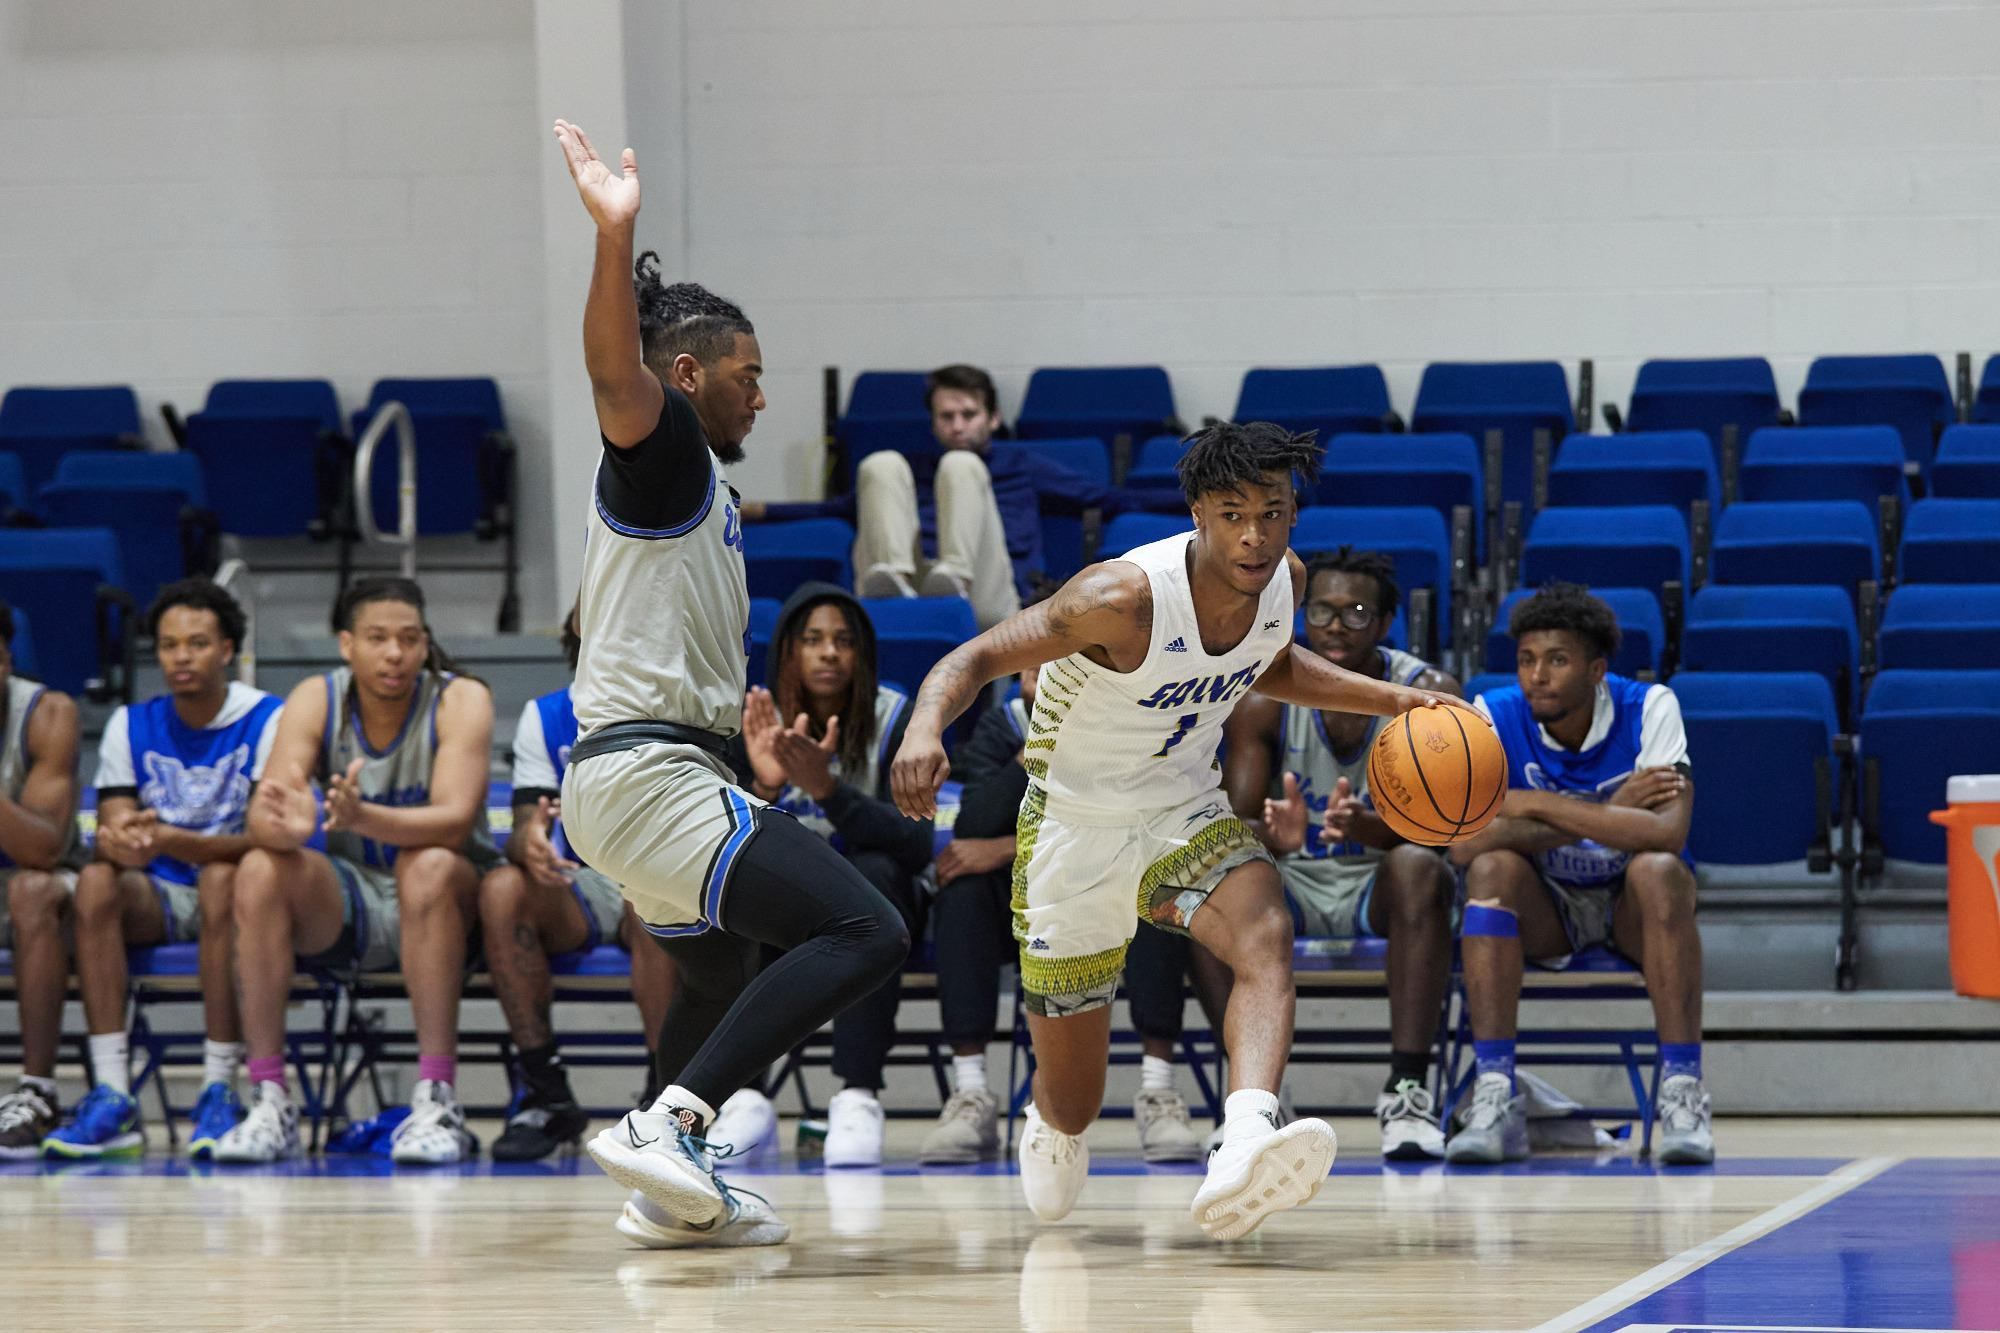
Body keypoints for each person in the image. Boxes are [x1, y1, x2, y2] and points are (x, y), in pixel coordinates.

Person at [890, 422, 1486, 1240]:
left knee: (1264, 926)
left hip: (1179, 808)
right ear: (1199, 512)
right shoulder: (1119, 597)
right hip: (1072, 827)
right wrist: (925, 726)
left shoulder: (1285, 581)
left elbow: (1266, 662)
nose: (1255, 535)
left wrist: (1394, 700)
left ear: (1292, 515)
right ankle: (1052, 1119)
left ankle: (1243, 1140)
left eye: (1272, 513)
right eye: (1234, 513)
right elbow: (974, 658)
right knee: (1076, 1101)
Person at [552, 118, 906, 1250]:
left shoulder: (701, 489)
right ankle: (674, 1123)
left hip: (639, 780)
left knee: (719, 971)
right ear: (690, 375)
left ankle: (668, 1181)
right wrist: (615, 237)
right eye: (748, 376)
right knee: (864, 927)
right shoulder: (666, 455)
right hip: (648, 773)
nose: (762, 397)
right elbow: (614, 369)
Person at [217, 577, 501, 1165]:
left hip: (452, 902)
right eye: (377, 639)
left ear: (425, 645)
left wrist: (360, 816)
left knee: (427, 864)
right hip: (354, 903)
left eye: (409, 639)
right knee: (259, 868)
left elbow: (452, 822)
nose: (395, 653)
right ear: (347, 644)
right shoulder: (316, 697)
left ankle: (437, 1098)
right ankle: (269, 1098)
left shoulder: (461, 697)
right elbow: (263, 811)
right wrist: (286, 829)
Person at [1445, 583, 1712, 1167]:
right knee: (1491, 869)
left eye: (1557, 660)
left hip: (1630, 909)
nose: (1536, 675)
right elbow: (1464, 846)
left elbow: (1668, 832)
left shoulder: (1651, 707)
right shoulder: (1493, 713)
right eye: (1526, 660)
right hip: (1548, 906)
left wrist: (1532, 803)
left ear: (1595, 671)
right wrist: (1610, 807)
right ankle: (1495, 1091)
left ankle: (1683, 1092)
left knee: (1661, 870)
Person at [1219, 548, 1460, 1161]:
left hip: (1379, 881)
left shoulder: (1428, 695)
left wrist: (1375, 829)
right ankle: (1256, 1101)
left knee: (1418, 867)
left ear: (1384, 625)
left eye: (1355, 613)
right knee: (1214, 883)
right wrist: (1277, 834)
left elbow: (1451, 832)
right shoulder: (1264, 695)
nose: (1333, 625)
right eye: (1321, 611)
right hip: (1293, 879)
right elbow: (1234, 821)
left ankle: (1407, 1092)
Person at [915, 659, 1204, 1166]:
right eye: (1033, 669)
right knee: (961, 890)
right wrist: (1041, 745)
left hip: (1108, 891)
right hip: (1030, 908)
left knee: (1156, 884)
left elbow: (1143, 821)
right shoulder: (1002, 724)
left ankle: (1158, 1092)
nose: (1045, 679)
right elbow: (974, 821)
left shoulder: (1133, 718)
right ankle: (971, 1093)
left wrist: (1006, 846)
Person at [41, 580, 283, 1160]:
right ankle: (113, 1091)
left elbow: (268, 840)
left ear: (227, 650)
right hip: (160, 893)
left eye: (196, 644)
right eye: (170, 645)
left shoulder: (269, 718)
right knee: (96, 881)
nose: (181, 657)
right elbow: (115, 821)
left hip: (244, 897)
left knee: (227, 877)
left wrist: (178, 840)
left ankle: (219, 1085)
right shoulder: (130, 723)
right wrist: (123, 838)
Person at [728, 583, 932, 1166]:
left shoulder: (896, 717)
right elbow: (723, 838)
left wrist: (828, 791)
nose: (828, 654)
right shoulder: (754, 719)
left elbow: (916, 841)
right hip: (790, 911)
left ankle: (857, 1096)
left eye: (843, 642)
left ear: (861, 655)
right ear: (789, 652)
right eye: (813, 640)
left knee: (873, 876)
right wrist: (764, 784)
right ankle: (743, 1097)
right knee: (748, 886)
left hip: (886, 909)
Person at [481, 604, 675, 1162]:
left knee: (651, 901)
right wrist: (531, 844)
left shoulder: (676, 705)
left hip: (664, 874)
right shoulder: (546, 717)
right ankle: (546, 1093)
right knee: (501, 888)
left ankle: (664, 1101)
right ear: (576, 630)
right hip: (579, 883)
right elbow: (521, 827)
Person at [750, 365, 1110, 630]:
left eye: (968, 415)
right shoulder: (916, 469)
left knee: (961, 466)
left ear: (994, 418)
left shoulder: (1021, 463)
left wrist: (1170, 493)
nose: (957, 426)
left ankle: (954, 577)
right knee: (881, 464)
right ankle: (890, 580)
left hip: (988, 598)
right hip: (915, 585)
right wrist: (759, 510)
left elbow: (1105, 497)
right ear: (934, 422)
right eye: (946, 416)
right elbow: (839, 508)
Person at [0, 599, 85, 1159]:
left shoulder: (48, 713)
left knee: (30, 892)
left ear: (4, 660)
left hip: (58, 896)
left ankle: (38, 1089)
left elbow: (42, 849)